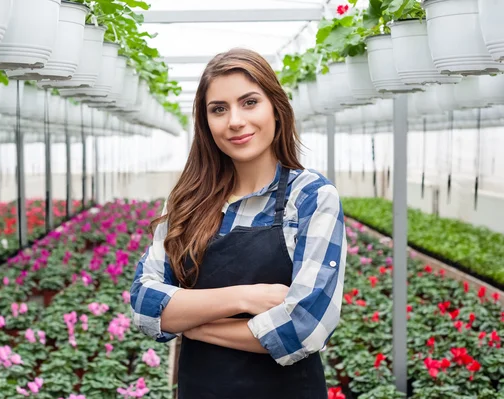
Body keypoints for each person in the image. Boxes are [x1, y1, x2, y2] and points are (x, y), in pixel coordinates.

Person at [130, 48, 346, 399]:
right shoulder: (186, 202)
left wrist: (191, 323)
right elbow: (144, 304)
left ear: (276, 107)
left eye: (249, 102)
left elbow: (303, 326)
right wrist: (247, 297)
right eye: (219, 109)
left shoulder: (310, 197)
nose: (234, 121)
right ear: (205, 122)